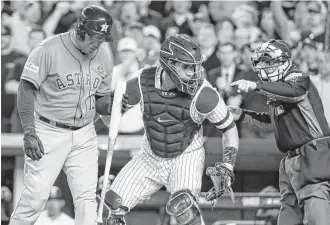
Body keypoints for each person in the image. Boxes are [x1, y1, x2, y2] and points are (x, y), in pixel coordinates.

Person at [99, 34, 240, 225]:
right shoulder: (143, 80)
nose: (193, 72)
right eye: (187, 67)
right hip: (149, 157)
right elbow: (108, 121)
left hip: (186, 157)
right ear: (169, 63)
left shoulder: (204, 93)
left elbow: (230, 129)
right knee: (107, 209)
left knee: (185, 209)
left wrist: (228, 164)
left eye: (195, 66)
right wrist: (111, 108)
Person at [9, 5, 116, 225]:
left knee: (87, 199)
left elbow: (101, 100)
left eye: (102, 38)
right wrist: (29, 131)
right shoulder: (48, 49)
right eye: (95, 37)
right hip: (48, 130)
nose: (98, 43)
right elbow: (26, 90)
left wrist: (113, 104)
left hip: (85, 132)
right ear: (80, 30)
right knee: (35, 198)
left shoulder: (104, 54)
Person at [229, 39, 330, 225]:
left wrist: (256, 86)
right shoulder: (278, 91)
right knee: (287, 217)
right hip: (291, 162)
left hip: (313, 156)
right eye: (263, 63)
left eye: (269, 62)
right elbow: (272, 121)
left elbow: (293, 92)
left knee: (317, 214)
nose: (264, 67)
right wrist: (241, 115)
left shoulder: (299, 79)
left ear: (283, 61)